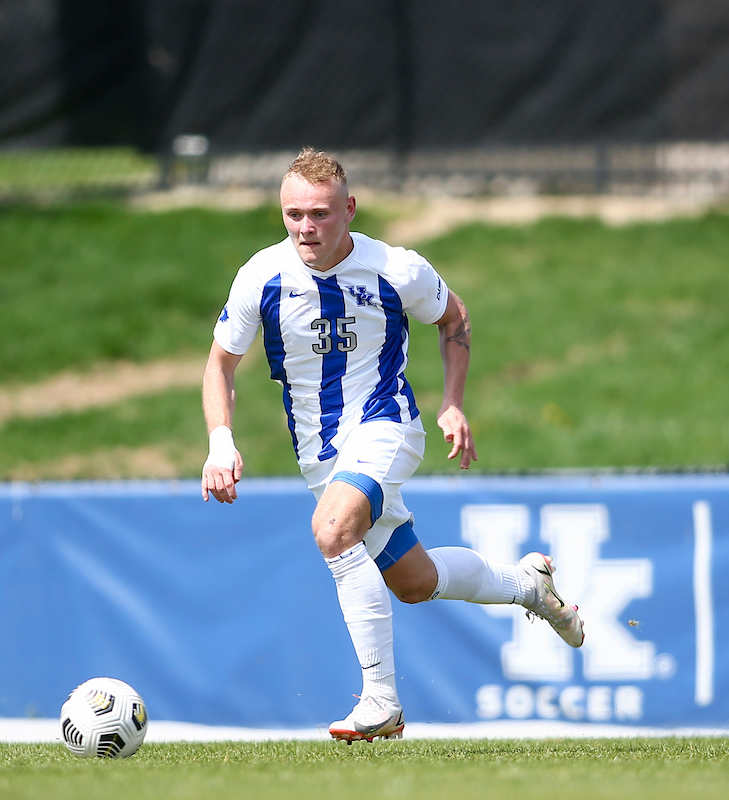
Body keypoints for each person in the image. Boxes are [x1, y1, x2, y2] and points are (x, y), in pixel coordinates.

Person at [200, 148, 584, 743]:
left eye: (321, 214)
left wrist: (452, 401)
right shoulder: (261, 276)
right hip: (320, 454)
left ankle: (381, 702)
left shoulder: (395, 268)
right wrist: (220, 442)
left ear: (349, 209)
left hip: (387, 424)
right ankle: (526, 585)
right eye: (294, 214)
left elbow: (453, 318)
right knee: (415, 582)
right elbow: (220, 364)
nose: (306, 227)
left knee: (333, 531)